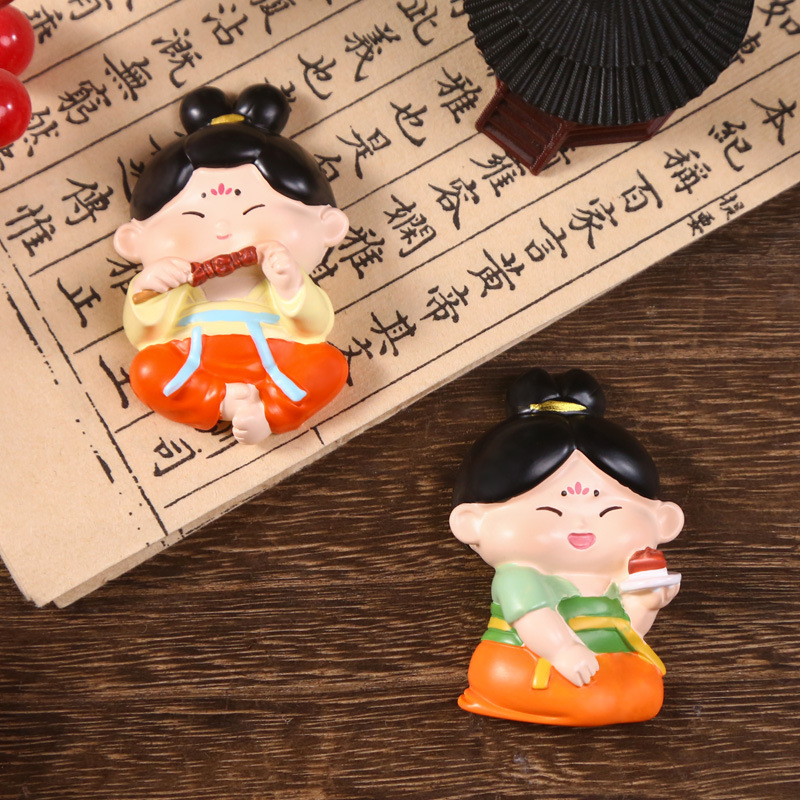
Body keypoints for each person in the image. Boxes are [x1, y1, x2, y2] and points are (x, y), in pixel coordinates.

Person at [114, 83, 350, 444]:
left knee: (329, 364)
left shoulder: (282, 280)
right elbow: (142, 334)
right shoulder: (177, 289)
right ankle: (218, 400)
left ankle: (270, 411)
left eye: (254, 212)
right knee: (147, 369)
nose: (223, 229)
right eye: (194, 217)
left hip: (278, 356)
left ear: (329, 225)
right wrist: (150, 288)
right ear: (133, 240)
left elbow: (314, 326)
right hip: (191, 356)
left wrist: (290, 286)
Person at [449, 368, 684, 726]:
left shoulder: (616, 576)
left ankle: (602, 701)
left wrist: (644, 603)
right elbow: (531, 617)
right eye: (550, 511)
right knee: (599, 698)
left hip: (601, 666)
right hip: (525, 662)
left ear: (662, 520)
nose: (581, 524)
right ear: (471, 522)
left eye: (608, 510)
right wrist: (563, 650)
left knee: (643, 691)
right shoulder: (518, 575)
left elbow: (628, 630)